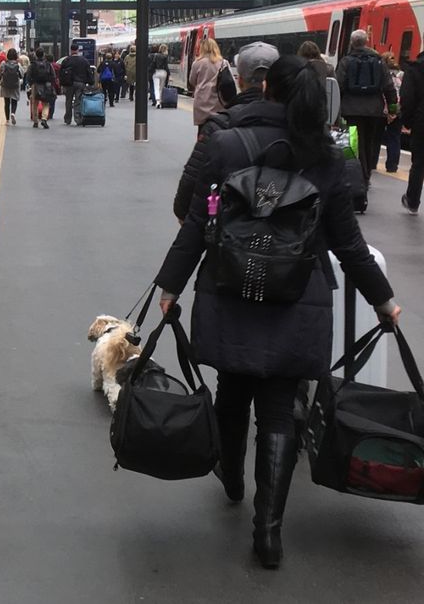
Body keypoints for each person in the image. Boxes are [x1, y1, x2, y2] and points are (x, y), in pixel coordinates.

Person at [155, 54, 401, 569]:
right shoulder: (328, 159)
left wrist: (169, 287)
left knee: (233, 389)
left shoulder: (225, 143)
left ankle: (232, 478)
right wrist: (384, 299)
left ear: (263, 87)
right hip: (298, 300)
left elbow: (197, 225)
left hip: (231, 289)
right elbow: (350, 246)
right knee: (278, 408)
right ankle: (268, 531)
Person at [173, 41, 277, 223]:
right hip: (286, 239)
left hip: (231, 232)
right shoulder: (301, 124)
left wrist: (185, 216)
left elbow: (190, 187)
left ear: (240, 80)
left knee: (205, 140)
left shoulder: (218, 126)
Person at [336, 30, 397, 187]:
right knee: (369, 142)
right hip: (373, 110)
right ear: (366, 42)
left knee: (354, 143)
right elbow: (389, 86)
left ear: (352, 42)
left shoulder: (346, 61)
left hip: (351, 110)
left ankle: (355, 175)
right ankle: (366, 175)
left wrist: (335, 109)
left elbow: (339, 85)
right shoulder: (378, 61)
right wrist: (392, 108)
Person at [187, 36, 236, 132]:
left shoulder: (197, 63)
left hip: (202, 102)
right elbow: (231, 80)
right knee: (219, 128)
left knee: (203, 131)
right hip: (219, 101)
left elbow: (192, 81)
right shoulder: (224, 63)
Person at [400, 48, 424, 214]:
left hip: (422, 122)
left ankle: (413, 200)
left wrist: (408, 121)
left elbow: (407, 98)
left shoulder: (414, 69)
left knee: (419, 163)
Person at [378, 51, 403, 173]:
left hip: (383, 110)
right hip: (398, 111)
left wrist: (389, 112)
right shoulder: (401, 75)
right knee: (395, 138)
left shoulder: (382, 75)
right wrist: (394, 112)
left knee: (376, 137)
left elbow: (384, 95)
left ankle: (372, 162)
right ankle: (392, 166)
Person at [60, 43, 92, 126]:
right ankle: (78, 119)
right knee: (78, 101)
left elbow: (61, 73)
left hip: (69, 83)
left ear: (71, 50)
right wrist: (90, 82)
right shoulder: (83, 60)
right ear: (77, 50)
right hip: (80, 83)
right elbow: (89, 72)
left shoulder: (66, 60)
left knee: (68, 101)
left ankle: (67, 119)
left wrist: (62, 84)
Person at [27, 51, 55, 128]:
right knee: (45, 103)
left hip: (35, 85)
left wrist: (31, 83)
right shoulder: (48, 64)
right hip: (46, 85)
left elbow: (28, 75)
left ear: (36, 55)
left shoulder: (33, 64)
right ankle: (44, 118)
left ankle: (35, 121)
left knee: (35, 103)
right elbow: (53, 75)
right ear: (43, 54)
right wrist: (50, 83)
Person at [0, 48, 24, 124]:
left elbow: (0, 72)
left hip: (5, 85)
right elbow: (22, 74)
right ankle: (13, 113)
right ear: (16, 55)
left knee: (6, 102)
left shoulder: (3, 63)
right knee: (14, 100)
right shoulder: (18, 64)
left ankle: (7, 120)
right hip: (15, 85)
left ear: (8, 55)